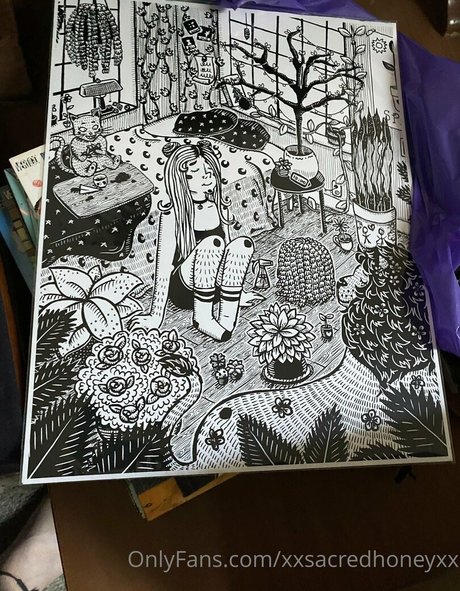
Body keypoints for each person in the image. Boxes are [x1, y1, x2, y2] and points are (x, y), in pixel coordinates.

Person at [132, 141, 261, 341]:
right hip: (185, 289)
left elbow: (228, 255)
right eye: (197, 172)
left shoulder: (219, 206)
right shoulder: (173, 213)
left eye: (209, 170)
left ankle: (228, 317)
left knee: (242, 244)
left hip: (215, 286)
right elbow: (163, 267)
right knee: (212, 244)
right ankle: (202, 317)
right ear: (182, 178)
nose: (207, 176)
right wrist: (155, 316)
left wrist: (240, 292)